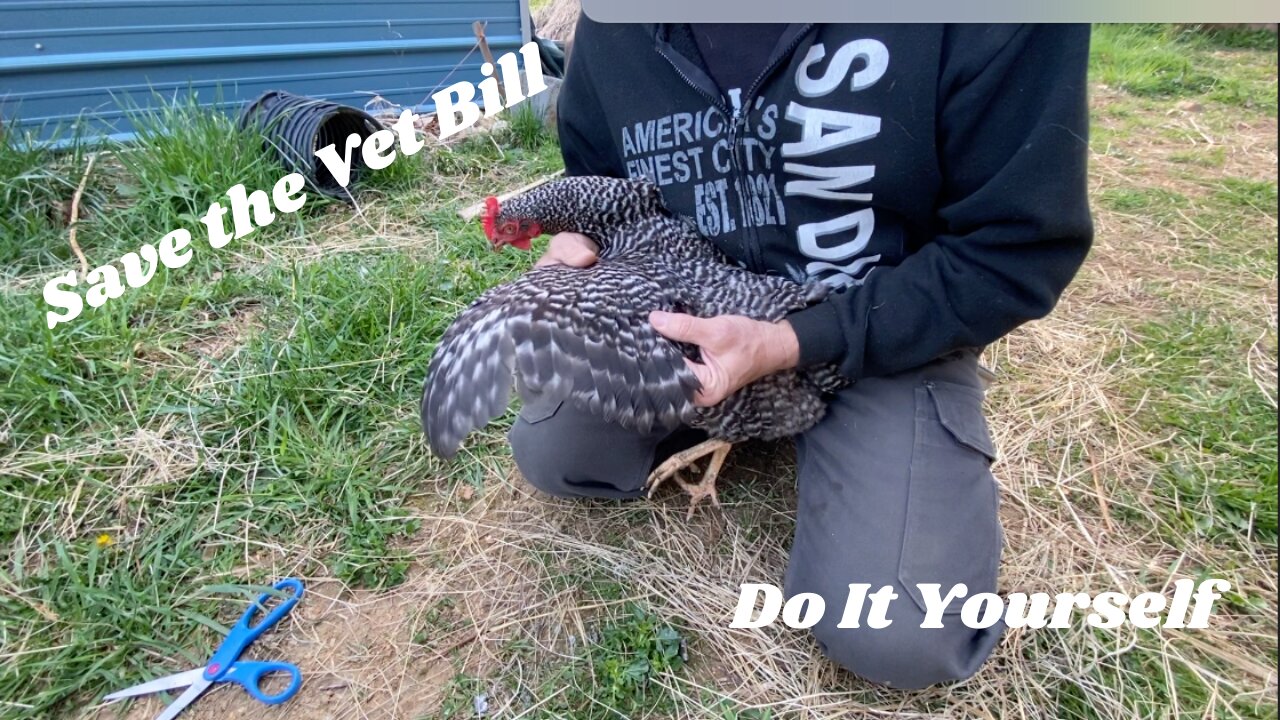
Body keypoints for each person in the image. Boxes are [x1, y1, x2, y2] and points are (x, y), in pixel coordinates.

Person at [509, 20, 1093, 689]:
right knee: (558, 450)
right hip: (693, 309)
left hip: (880, 325)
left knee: (902, 632)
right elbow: (604, 182)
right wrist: (588, 251)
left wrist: (797, 340)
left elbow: (1013, 251)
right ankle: (744, 409)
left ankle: (848, 425)